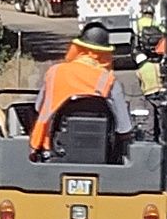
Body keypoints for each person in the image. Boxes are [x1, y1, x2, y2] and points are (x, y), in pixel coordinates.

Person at [31, 23, 123, 158]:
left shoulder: (55, 72)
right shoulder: (108, 80)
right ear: (105, 53)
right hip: (101, 153)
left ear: (77, 48)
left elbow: (39, 108)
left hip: (55, 148)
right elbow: (123, 127)